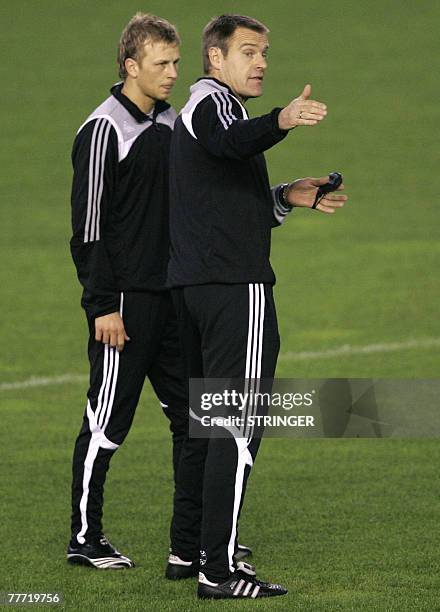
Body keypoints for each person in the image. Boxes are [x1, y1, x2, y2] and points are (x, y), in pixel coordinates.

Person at [167, 14, 347, 599]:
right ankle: (217, 572)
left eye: (265, 51)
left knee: (208, 426)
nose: (261, 62)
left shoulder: (207, 114)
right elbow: (230, 141)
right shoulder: (216, 106)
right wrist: (283, 120)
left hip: (197, 288)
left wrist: (284, 196)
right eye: (248, 51)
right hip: (232, 289)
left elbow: (221, 201)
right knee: (237, 430)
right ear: (215, 60)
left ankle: (189, 549)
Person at [67, 13, 186, 570]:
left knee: (195, 417)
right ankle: (84, 540)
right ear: (130, 66)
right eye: (161, 64)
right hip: (125, 305)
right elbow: (89, 232)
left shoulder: (169, 124)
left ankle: (195, 539)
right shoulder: (102, 130)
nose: (171, 73)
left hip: (172, 300)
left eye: (176, 63)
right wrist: (103, 306)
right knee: (107, 422)